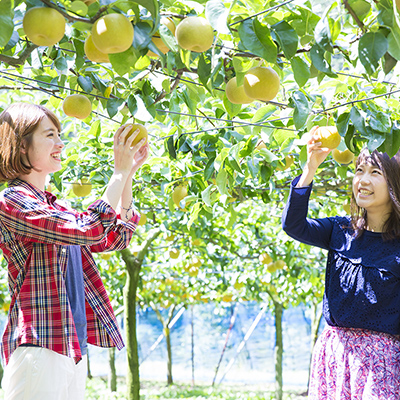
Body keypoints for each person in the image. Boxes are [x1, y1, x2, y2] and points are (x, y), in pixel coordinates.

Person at [0, 102, 149, 400]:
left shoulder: (56, 207)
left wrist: (128, 174)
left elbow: (113, 238)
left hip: (71, 346)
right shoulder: (12, 201)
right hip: (39, 348)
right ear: (22, 146)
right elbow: (88, 229)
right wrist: (117, 173)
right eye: (50, 135)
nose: (60, 143)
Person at [282, 126, 400, 399]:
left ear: (394, 182)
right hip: (334, 353)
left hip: (381, 363)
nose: (363, 180)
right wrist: (310, 168)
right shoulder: (340, 230)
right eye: (359, 171)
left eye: (375, 172)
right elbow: (293, 225)